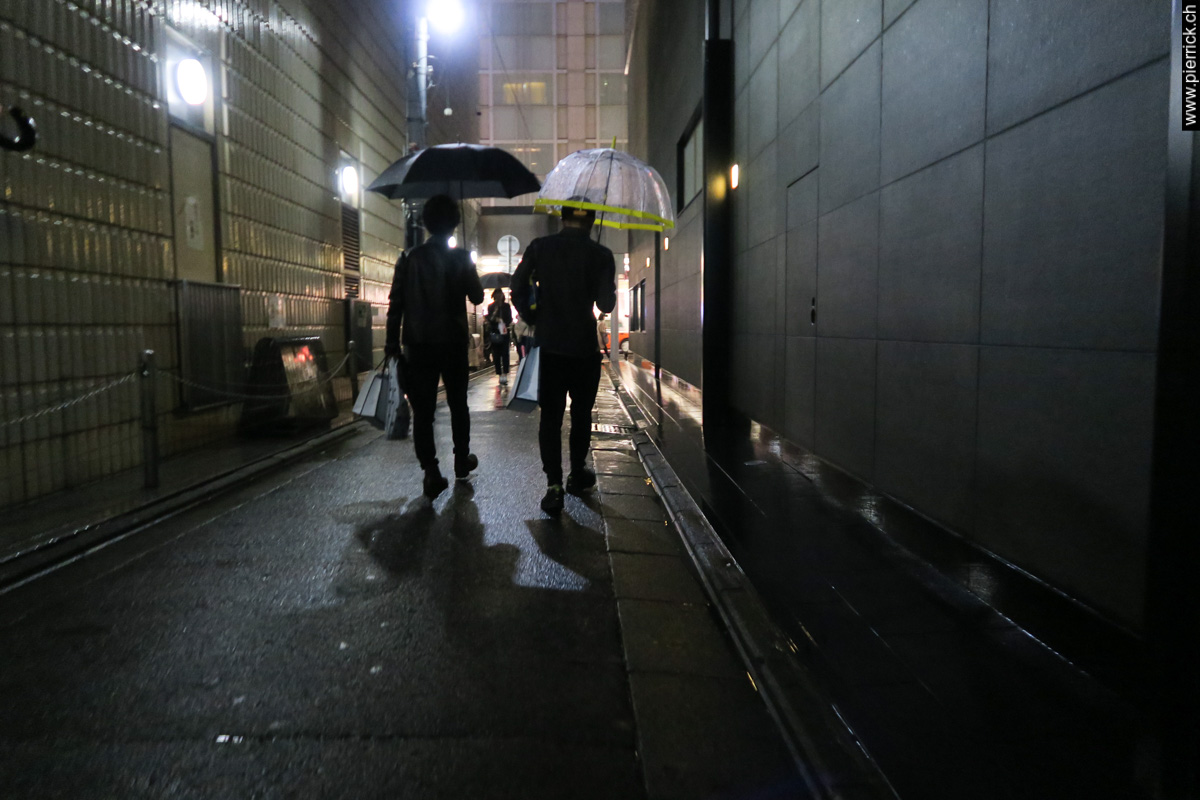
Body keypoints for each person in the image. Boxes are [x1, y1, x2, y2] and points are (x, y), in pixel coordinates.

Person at [512, 203, 617, 515]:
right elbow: (606, 304)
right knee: (581, 414)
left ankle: (553, 485)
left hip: (549, 346)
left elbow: (517, 285)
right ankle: (577, 473)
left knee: (551, 417)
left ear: (563, 218)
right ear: (592, 221)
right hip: (584, 349)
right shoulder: (601, 254)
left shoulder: (540, 247)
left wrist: (533, 315)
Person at [385, 195, 485, 499]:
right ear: (454, 224)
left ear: (426, 223)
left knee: (423, 411)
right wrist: (466, 267)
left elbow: (395, 305)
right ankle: (461, 459)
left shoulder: (409, 258)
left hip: (418, 344)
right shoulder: (461, 257)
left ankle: (430, 470)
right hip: (453, 342)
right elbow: (478, 297)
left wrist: (392, 345)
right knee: (458, 404)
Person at [487, 288, 513, 385]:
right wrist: (495, 317)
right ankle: (499, 373)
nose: (499, 296)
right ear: (494, 296)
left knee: (505, 354)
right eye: (497, 294)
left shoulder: (506, 306)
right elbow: (490, 319)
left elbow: (510, 318)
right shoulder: (491, 306)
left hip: (505, 333)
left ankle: (505, 374)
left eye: (500, 294)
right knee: (496, 355)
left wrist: (503, 321)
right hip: (495, 333)